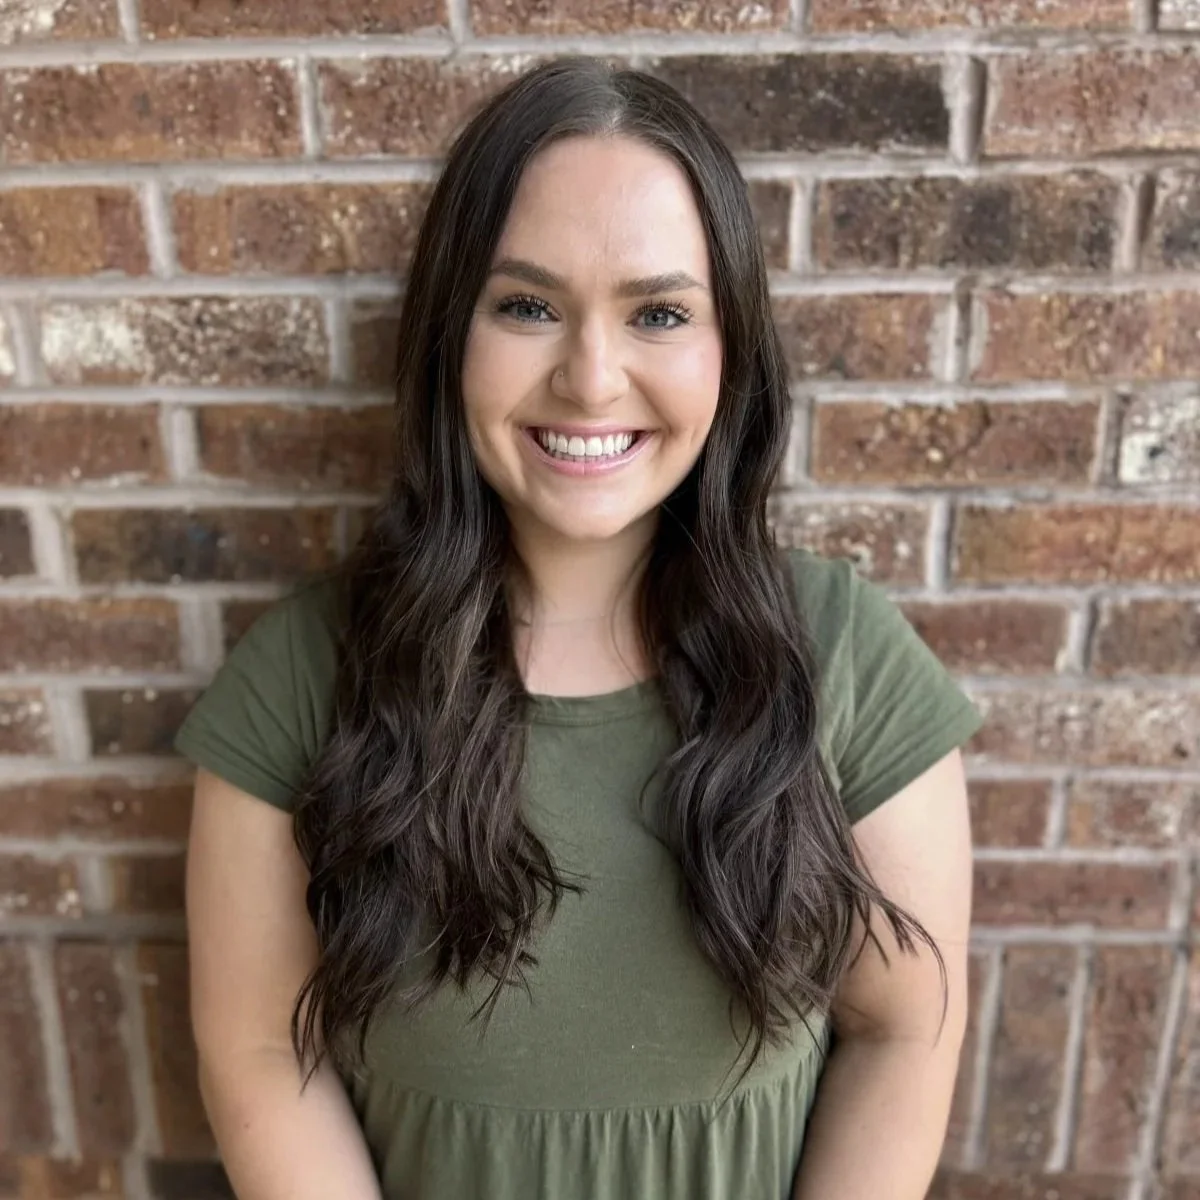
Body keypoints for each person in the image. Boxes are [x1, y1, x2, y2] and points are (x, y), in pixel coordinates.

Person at [176, 56, 982, 1200]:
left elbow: (905, 1034)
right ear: (449, 333)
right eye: (527, 306)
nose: (592, 378)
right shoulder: (305, 678)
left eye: (658, 312)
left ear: (729, 349)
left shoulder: (843, 657)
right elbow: (258, 1051)